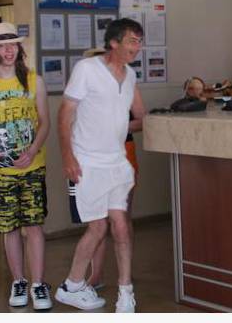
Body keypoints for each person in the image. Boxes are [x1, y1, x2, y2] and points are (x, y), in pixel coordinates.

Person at [54, 19, 145, 313]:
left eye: (139, 41)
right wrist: (67, 157)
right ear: (114, 43)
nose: (137, 47)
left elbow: (137, 117)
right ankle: (72, 285)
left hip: (117, 161)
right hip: (87, 162)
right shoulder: (87, 69)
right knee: (97, 228)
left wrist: (117, 126)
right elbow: (65, 115)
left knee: (120, 225)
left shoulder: (130, 76)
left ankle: (125, 293)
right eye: (132, 41)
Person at [0, 22, 52, 310]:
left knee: (34, 224)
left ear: (19, 47)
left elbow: (45, 122)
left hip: (32, 166)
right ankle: (19, 281)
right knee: (9, 227)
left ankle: (38, 284)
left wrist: (33, 149)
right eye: (2, 45)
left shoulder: (34, 81)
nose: (8, 50)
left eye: (12, 44)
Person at [81, 47, 141, 291]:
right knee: (97, 220)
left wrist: (114, 126)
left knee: (122, 217)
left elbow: (141, 120)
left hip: (122, 152)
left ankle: (126, 274)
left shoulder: (125, 86)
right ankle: (96, 275)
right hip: (91, 158)